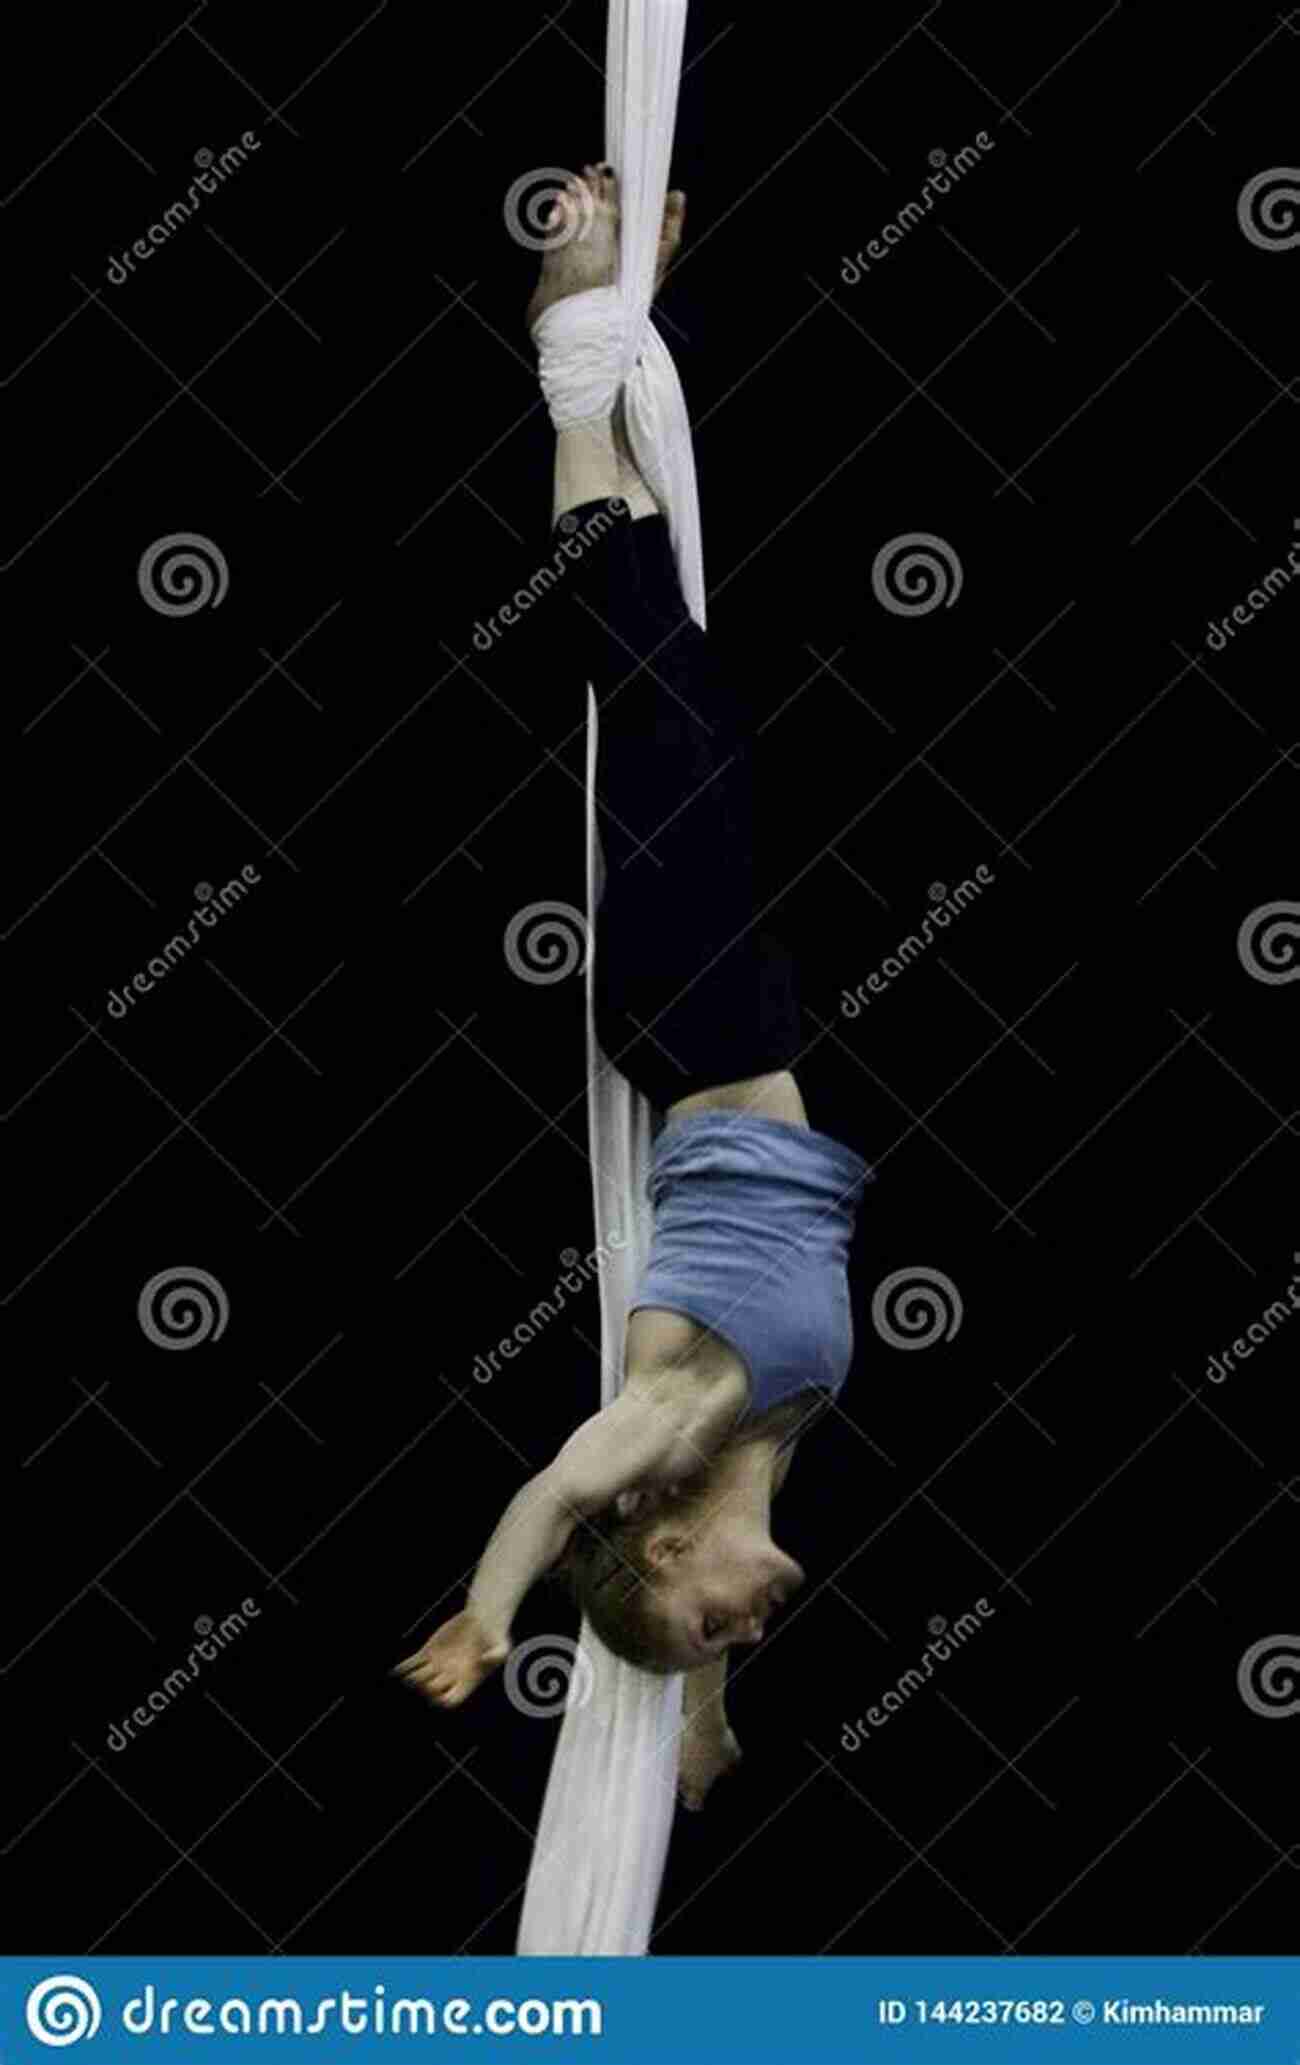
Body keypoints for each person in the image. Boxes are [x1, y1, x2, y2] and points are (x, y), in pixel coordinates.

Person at [398, 168, 873, 1810]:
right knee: (681, 683)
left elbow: (548, 1496)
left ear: (659, 1539)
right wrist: (702, 1717)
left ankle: (574, 346)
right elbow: (717, 1596)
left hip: (692, 1014)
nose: (736, 1619)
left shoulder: (662, 1434)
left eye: (694, 1621)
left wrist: (486, 1615)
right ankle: (604, 356)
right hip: (736, 1013)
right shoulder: (764, 1443)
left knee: (655, 677)